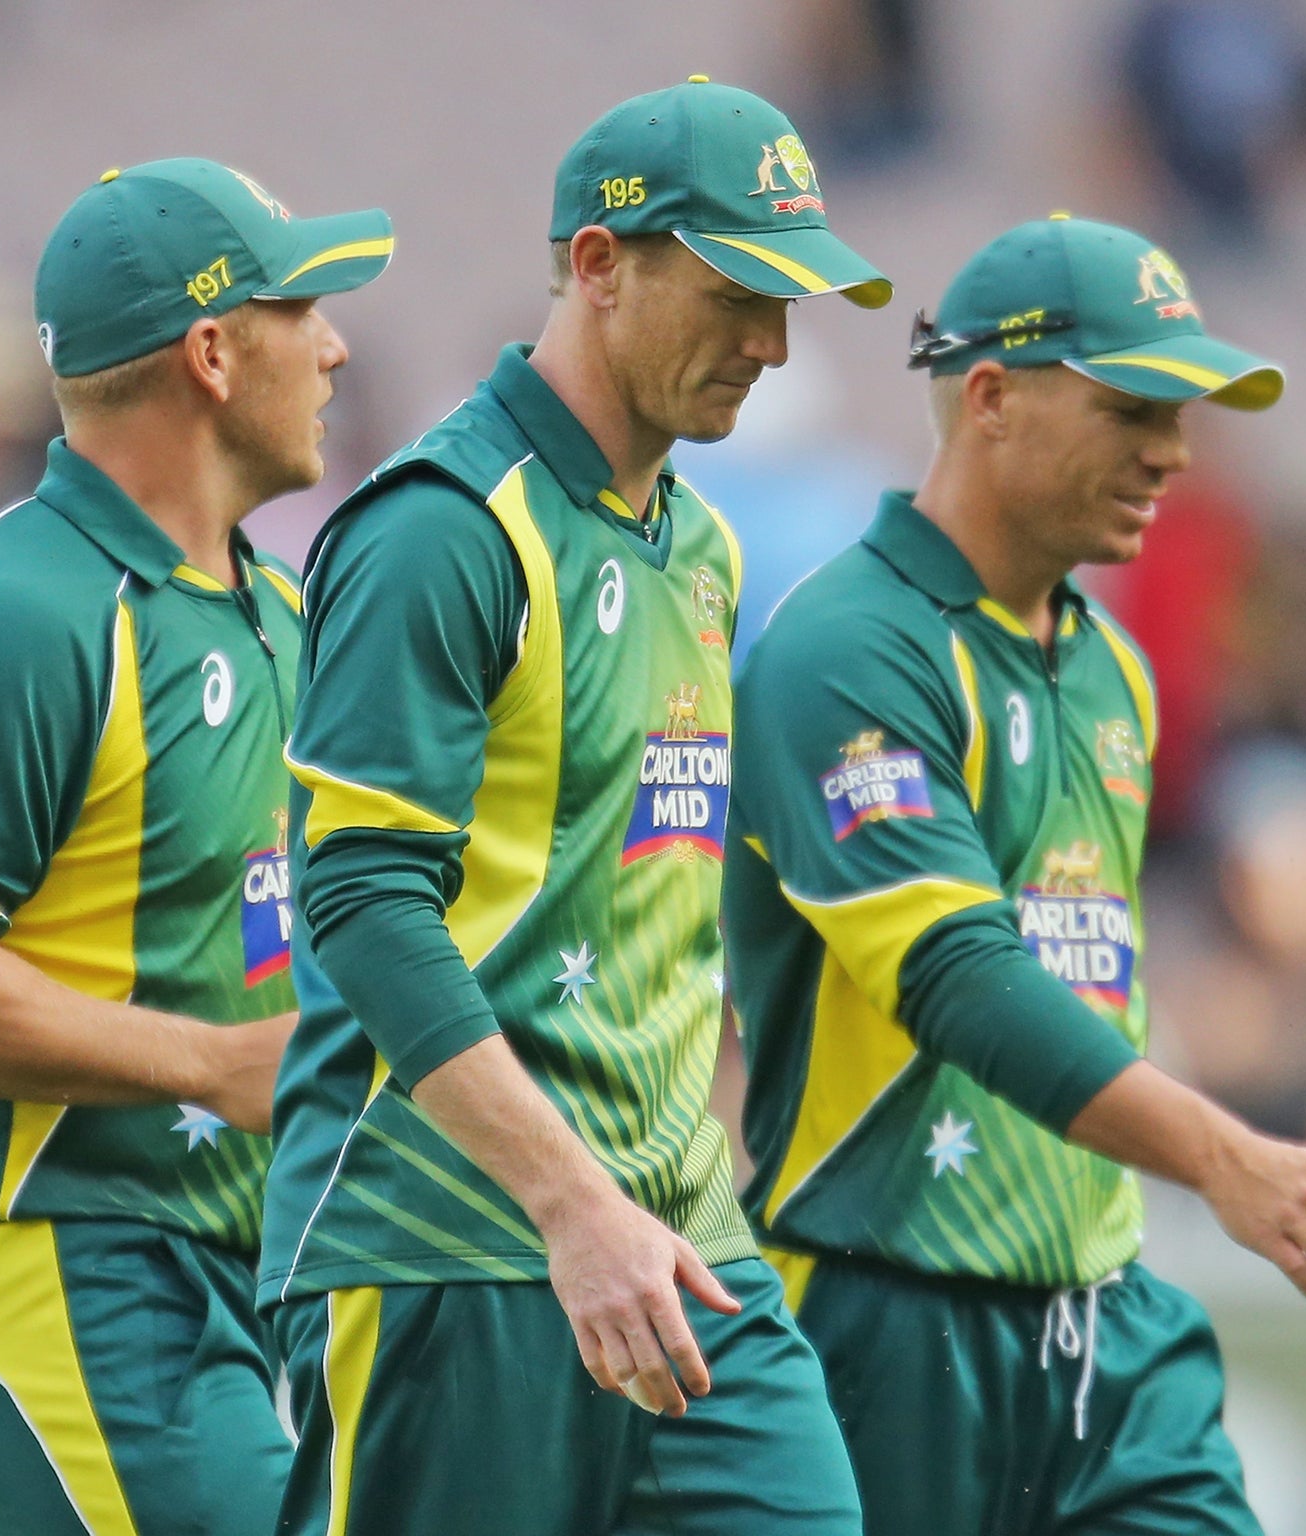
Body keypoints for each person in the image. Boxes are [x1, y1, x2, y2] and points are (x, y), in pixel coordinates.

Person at [259, 78, 889, 1536]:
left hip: (676, 1244)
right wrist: (568, 1202)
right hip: (443, 1239)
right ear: (601, 266)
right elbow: (356, 901)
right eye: (739, 291)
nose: (774, 344)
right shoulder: (444, 529)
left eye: (795, 303)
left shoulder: (706, 547)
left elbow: (657, 893)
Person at [726, 214, 1306, 1536]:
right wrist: (1220, 1154)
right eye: (1131, 405)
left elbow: (1087, 982)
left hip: (1106, 1318)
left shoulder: (1114, 671)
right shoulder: (844, 652)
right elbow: (960, 978)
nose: (1173, 451)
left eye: (1182, 411)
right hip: (889, 1311)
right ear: (992, 399)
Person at [0, 158, 391, 1536]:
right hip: (67, 1271)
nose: (337, 343)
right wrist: (212, 1063)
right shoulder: (30, 611)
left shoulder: (284, 612)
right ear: (210, 352)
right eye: (300, 306)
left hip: (229, 1277)